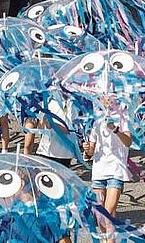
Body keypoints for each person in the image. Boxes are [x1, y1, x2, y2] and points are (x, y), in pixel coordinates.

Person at [82, 107, 132, 238]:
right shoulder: (96, 117)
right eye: (103, 96)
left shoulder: (123, 115)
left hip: (116, 170)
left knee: (108, 214)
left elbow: (128, 141)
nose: (106, 99)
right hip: (99, 171)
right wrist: (87, 150)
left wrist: (115, 129)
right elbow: (91, 150)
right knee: (100, 217)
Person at [34, 95, 76, 167]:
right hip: (45, 150)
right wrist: (42, 122)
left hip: (62, 153)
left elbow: (69, 130)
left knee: (59, 177)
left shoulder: (71, 103)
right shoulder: (47, 101)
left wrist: (53, 124)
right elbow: (40, 128)